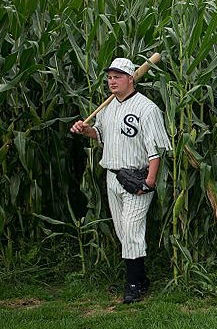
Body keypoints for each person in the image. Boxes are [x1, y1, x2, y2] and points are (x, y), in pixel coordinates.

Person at [70, 57, 171, 303]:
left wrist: (149, 182)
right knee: (122, 232)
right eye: (109, 77)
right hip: (113, 177)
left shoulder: (147, 108)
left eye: (117, 76)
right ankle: (141, 278)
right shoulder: (107, 107)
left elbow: (156, 149)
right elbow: (102, 134)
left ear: (131, 78)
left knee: (132, 230)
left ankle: (134, 284)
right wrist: (87, 131)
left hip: (137, 177)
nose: (111, 81)